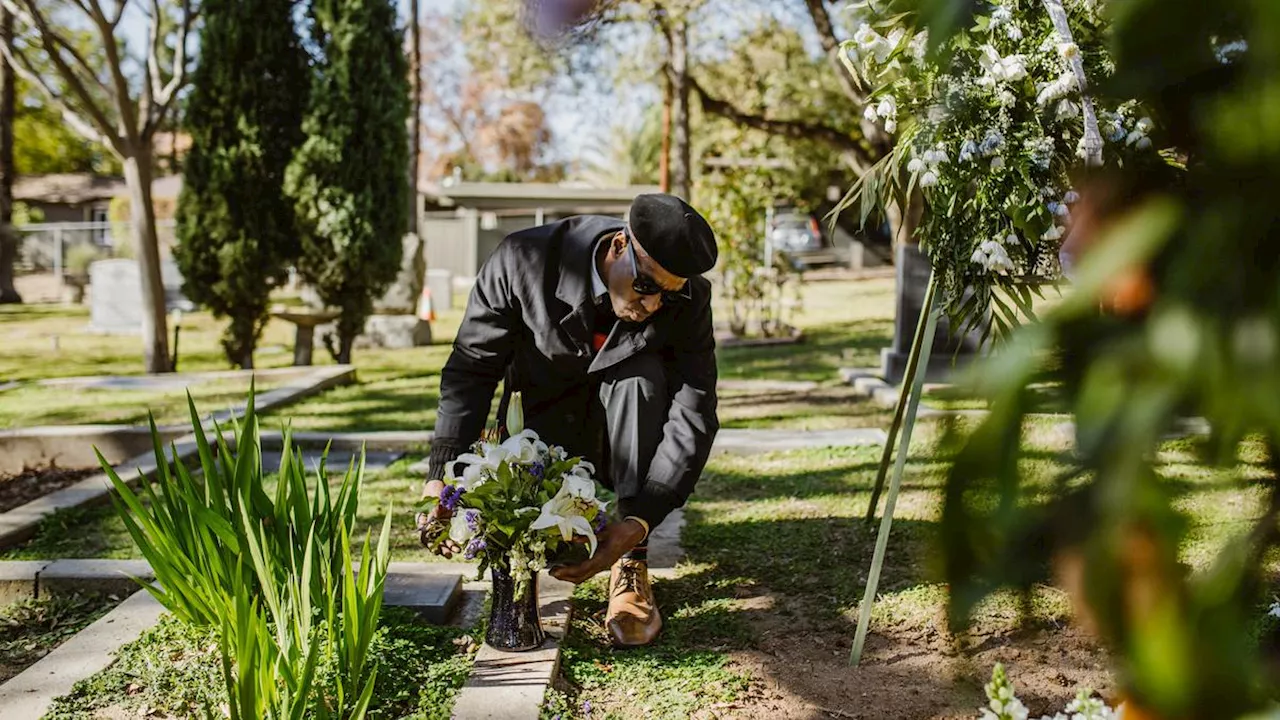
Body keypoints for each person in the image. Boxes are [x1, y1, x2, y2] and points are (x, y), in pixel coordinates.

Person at [418, 193, 720, 647]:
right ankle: (524, 555)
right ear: (620, 245)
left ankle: (631, 567)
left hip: (629, 431)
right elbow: (472, 370)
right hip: (542, 423)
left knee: (640, 379)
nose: (654, 304)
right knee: (545, 544)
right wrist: (441, 477)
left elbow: (693, 409)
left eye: (667, 293)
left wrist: (637, 524)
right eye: (645, 286)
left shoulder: (688, 299)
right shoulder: (522, 260)